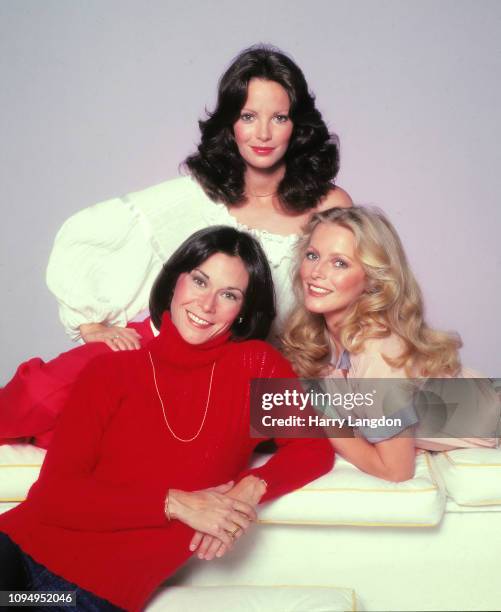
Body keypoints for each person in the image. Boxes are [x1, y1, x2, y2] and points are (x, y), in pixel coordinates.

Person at [0, 226, 334, 611]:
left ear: (243, 311)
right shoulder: (110, 371)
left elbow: (313, 449)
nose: (206, 305)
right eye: (199, 281)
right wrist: (175, 504)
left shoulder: (255, 366)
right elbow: (54, 497)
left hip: (81, 596)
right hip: (16, 552)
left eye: (228, 295)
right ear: (175, 281)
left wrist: (246, 491)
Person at [46, 43, 351, 352]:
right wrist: (91, 322)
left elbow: (356, 306)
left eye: (279, 118)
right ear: (230, 124)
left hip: (279, 375)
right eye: (248, 116)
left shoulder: (330, 207)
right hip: (194, 378)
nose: (262, 133)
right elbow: (96, 234)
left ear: (297, 126)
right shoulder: (197, 195)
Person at [282, 207, 499, 482]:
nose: (316, 272)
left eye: (340, 263)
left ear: (371, 280)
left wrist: (320, 420)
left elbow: (396, 471)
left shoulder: (377, 351)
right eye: (312, 256)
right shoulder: (322, 338)